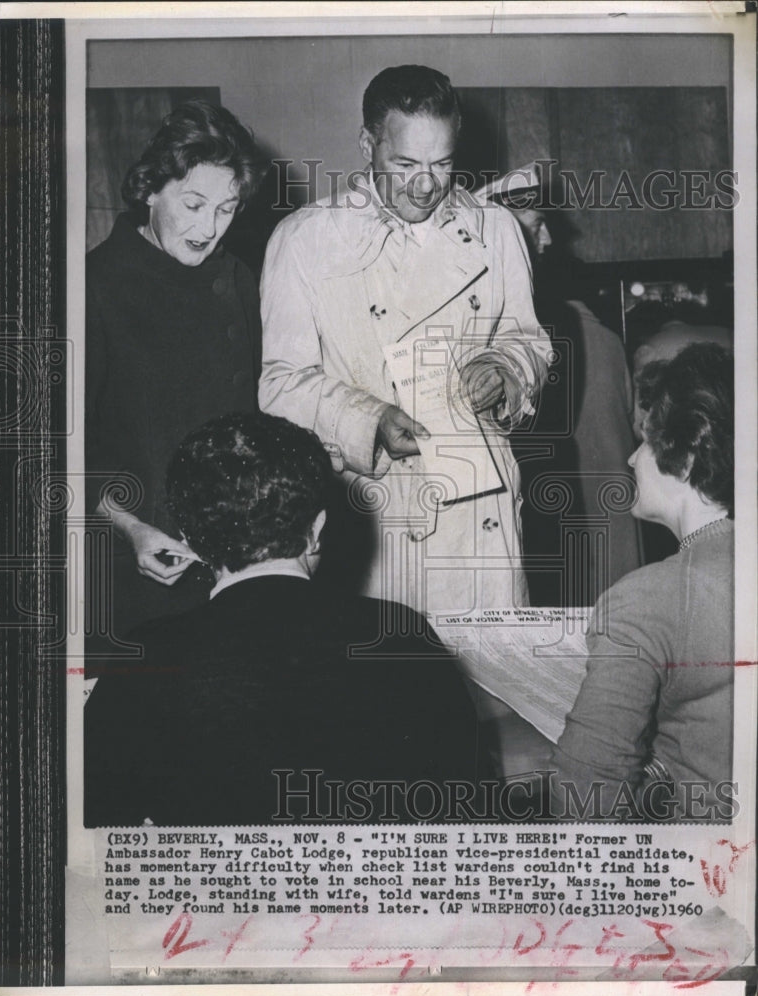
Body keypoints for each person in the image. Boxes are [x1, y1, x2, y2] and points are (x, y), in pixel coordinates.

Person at [84, 413, 491, 827]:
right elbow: (469, 805)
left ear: (190, 543)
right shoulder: (401, 635)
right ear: (317, 530)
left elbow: (95, 825)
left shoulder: (146, 654)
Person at [259, 65, 550, 617]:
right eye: (406, 164)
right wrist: (369, 422)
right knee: (393, 667)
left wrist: (505, 370)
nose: (426, 185)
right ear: (366, 145)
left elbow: (528, 340)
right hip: (376, 519)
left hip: (478, 515)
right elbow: (280, 386)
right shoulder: (306, 239)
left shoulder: (497, 230)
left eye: (442, 164)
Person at [85, 99, 263, 654]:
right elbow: (56, 452)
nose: (209, 228)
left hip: (230, 566)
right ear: (150, 190)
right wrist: (131, 527)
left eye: (227, 209)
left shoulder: (237, 279)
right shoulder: (93, 287)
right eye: (193, 204)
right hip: (128, 566)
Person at [551, 343, 734, 821]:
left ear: (686, 456)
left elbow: (582, 802)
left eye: (647, 442)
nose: (632, 458)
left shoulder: (645, 599)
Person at [502, 191, 642, 607]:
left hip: (560, 517)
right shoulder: (609, 340)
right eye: (536, 226)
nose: (546, 240)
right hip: (615, 508)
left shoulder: (545, 339)